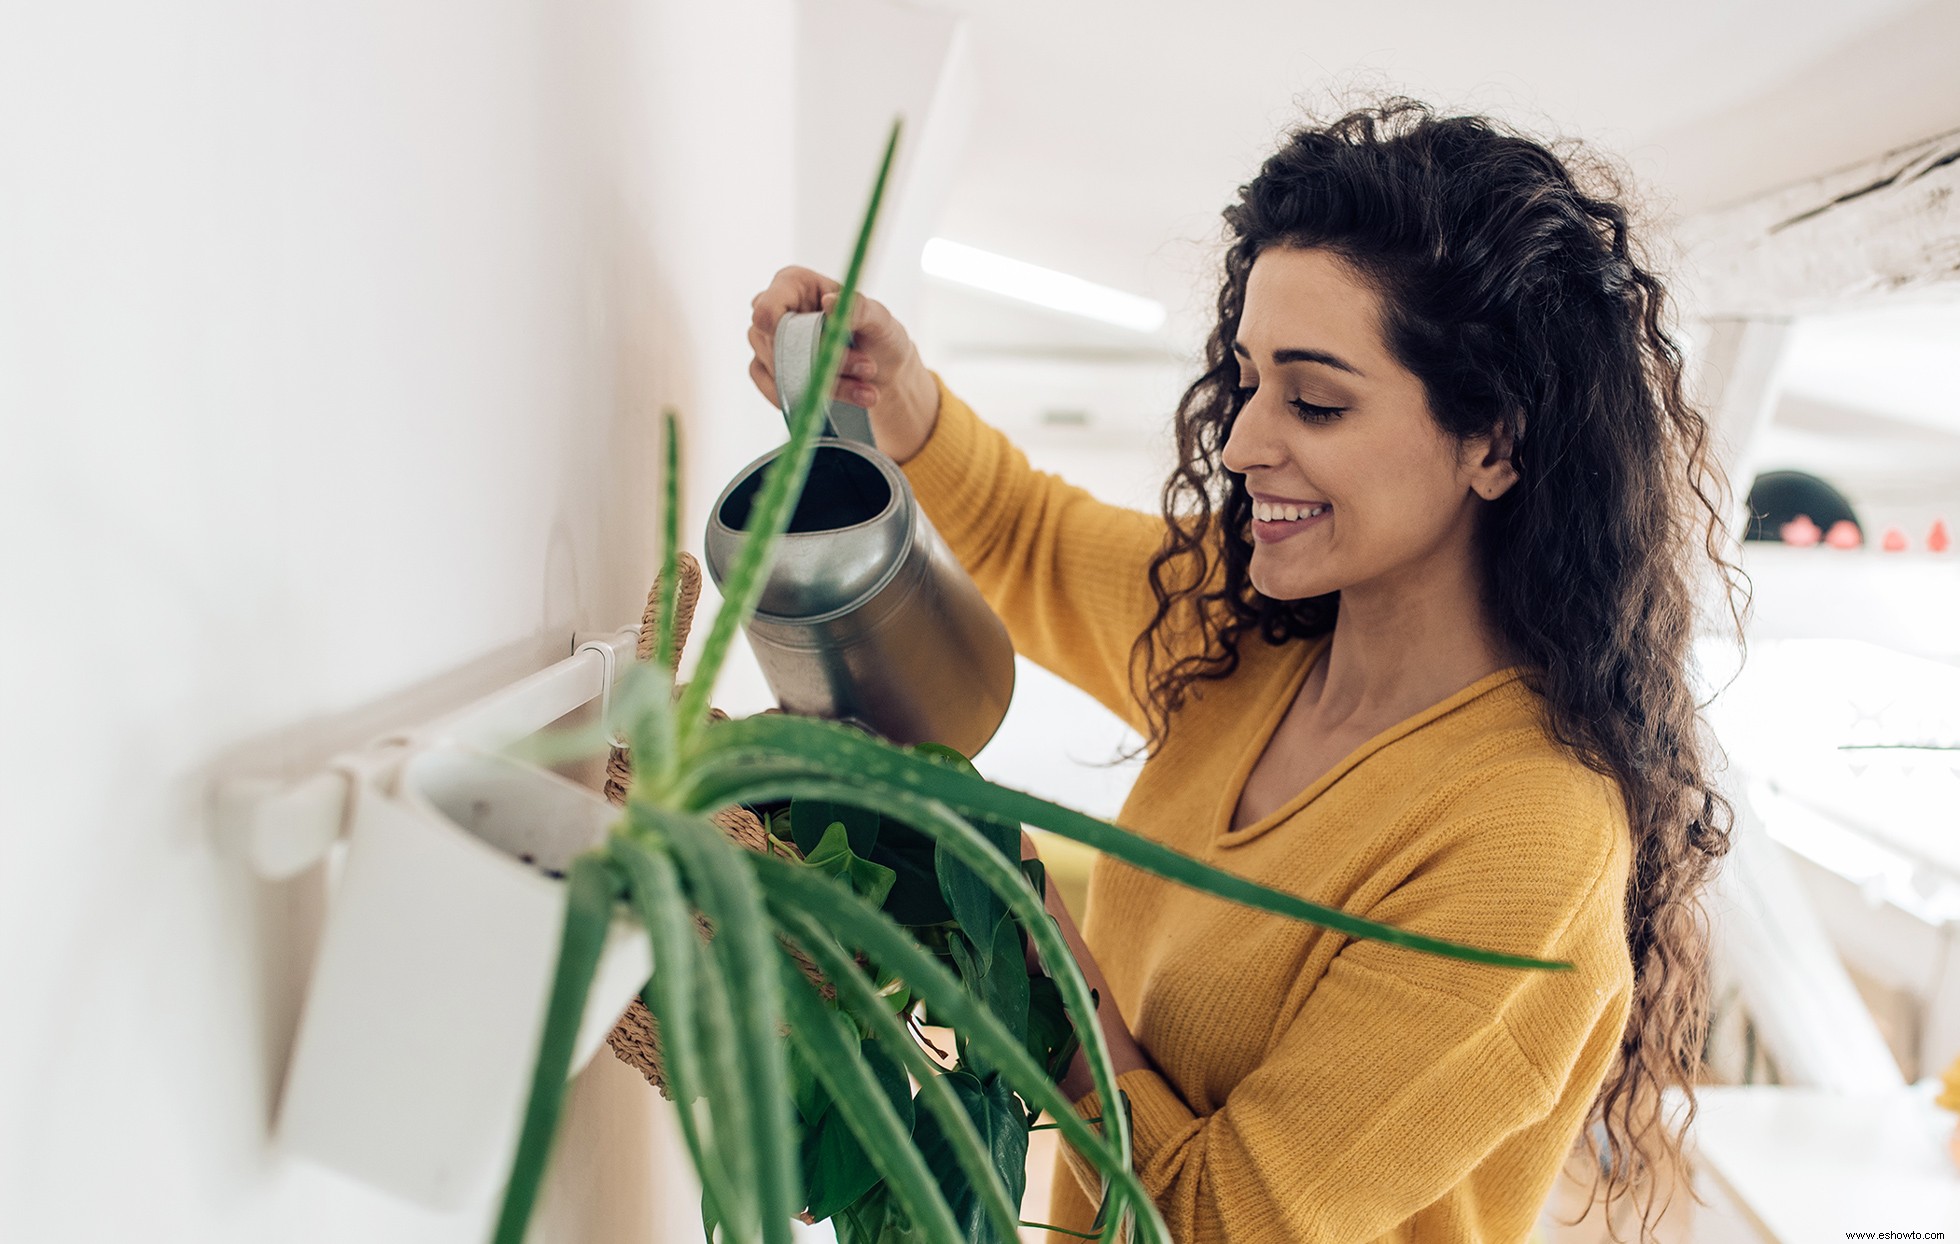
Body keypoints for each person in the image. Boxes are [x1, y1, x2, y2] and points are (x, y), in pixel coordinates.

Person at [746, 97, 1735, 1244]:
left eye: (1313, 400)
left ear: (1495, 443)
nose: (1242, 440)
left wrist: (1033, 960)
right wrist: (895, 393)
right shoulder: (1249, 636)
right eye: (1248, 380)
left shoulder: (1527, 838)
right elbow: (1027, 538)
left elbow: (1218, 1219)